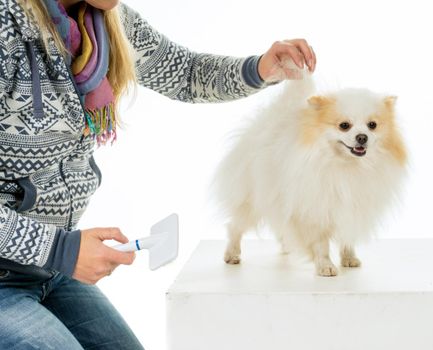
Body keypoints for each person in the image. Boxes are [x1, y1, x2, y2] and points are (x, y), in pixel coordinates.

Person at [0, 0, 316, 348]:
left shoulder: (105, 23)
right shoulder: (6, 26)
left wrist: (259, 69)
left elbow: (184, 73)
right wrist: (60, 249)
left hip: (49, 271)